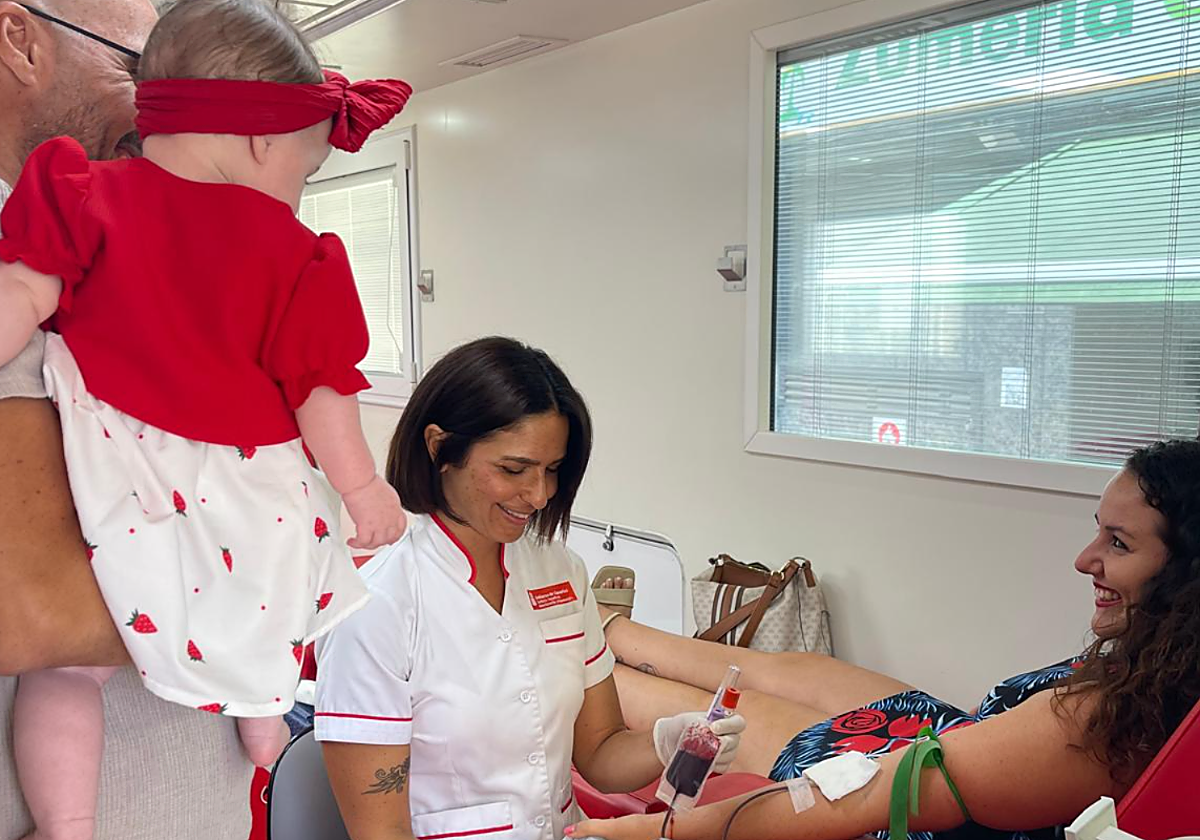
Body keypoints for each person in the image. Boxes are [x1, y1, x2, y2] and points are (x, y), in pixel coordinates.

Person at [0, 2, 412, 838]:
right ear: (264, 142)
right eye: (127, 59)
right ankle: (263, 716)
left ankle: (67, 818)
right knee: (276, 582)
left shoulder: (77, 196)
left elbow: (24, 295)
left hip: (125, 468)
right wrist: (365, 487)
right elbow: (323, 392)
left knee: (71, 679)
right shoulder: (299, 255)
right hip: (248, 481)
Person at [570, 439, 1200, 840]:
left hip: (905, 773)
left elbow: (870, 794)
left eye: (1118, 544)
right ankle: (614, 629)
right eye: (1099, 531)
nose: (1085, 559)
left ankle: (591, 652)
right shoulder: (1168, 672)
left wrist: (654, 834)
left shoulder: (1101, 723)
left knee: (744, 703)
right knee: (786, 667)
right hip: (961, 735)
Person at [313, 337, 747, 840]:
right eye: (514, 470)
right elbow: (379, 834)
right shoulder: (376, 604)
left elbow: (600, 754)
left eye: (553, 470)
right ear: (440, 448)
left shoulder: (560, 570)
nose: (539, 495)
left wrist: (666, 742)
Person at [0, 3, 259, 840]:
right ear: (18, 39)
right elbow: (32, 609)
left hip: (194, 790)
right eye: (141, 69)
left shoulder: (148, 232)